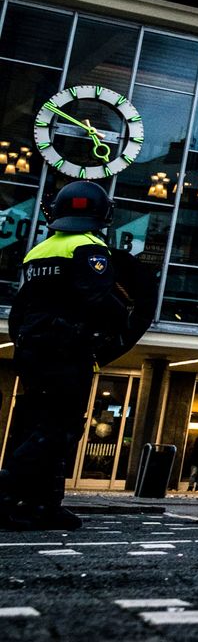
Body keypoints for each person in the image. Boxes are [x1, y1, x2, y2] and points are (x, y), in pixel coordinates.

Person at [0, 181, 156, 530]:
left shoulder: (39, 251)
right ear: (103, 215)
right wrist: (118, 325)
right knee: (61, 428)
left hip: (34, 348)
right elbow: (99, 298)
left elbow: (23, 306)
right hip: (67, 350)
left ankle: (43, 505)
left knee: (37, 426)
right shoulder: (88, 248)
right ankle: (8, 493)